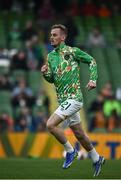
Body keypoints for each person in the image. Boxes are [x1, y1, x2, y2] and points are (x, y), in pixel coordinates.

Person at [41, 24, 105, 177]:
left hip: (74, 98)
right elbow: (52, 80)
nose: (52, 37)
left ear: (63, 37)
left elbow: (92, 61)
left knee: (50, 124)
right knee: (79, 134)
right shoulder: (50, 57)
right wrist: (45, 74)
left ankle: (70, 151)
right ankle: (97, 158)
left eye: (55, 35)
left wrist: (93, 79)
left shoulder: (73, 52)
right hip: (63, 101)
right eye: (51, 35)